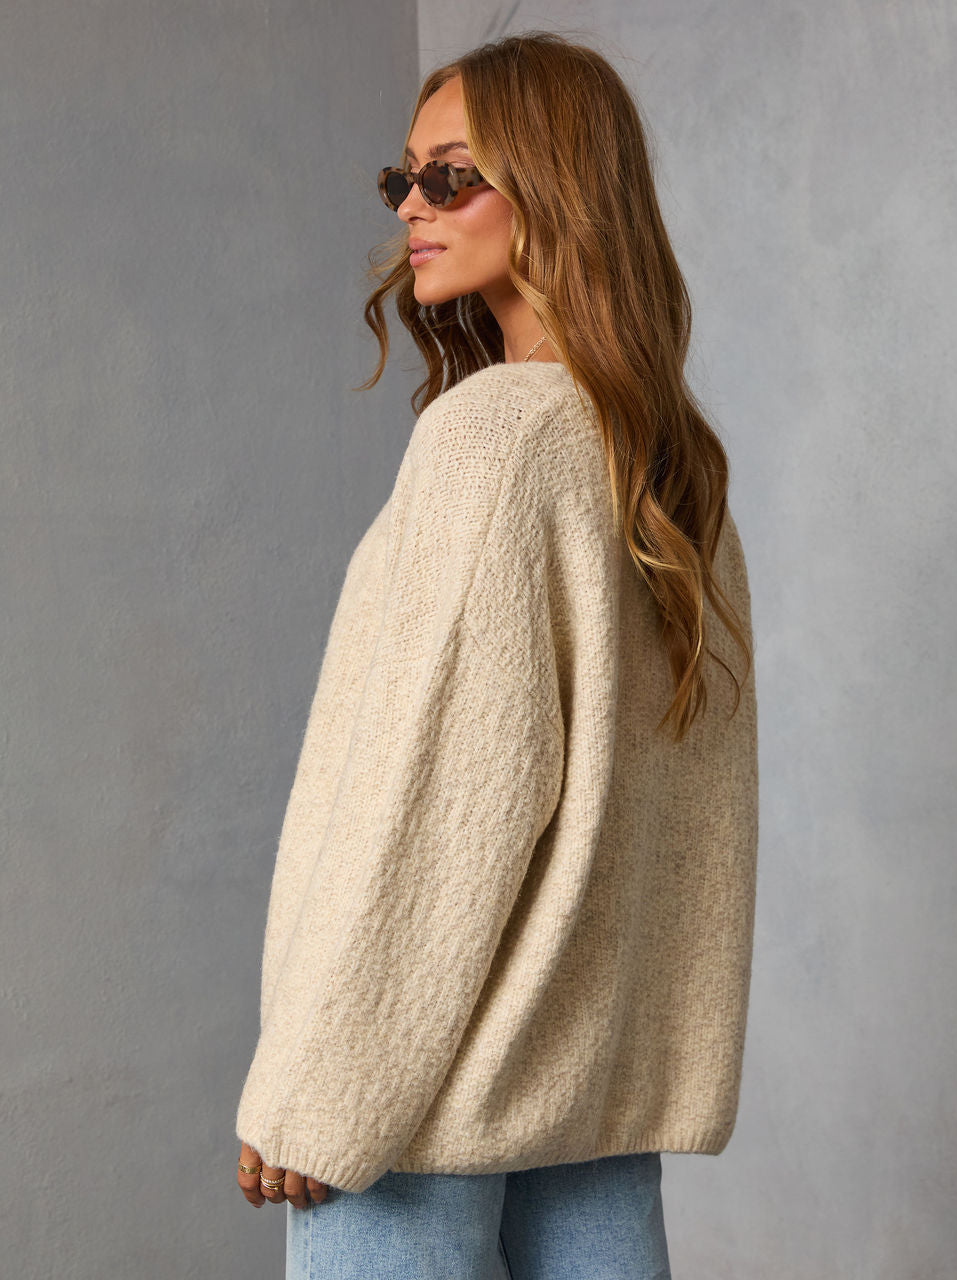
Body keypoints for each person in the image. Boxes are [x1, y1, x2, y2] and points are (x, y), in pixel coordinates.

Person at [234, 29, 758, 1280]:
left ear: (557, 190)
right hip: (588, 1108)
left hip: (423, 1105)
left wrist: (324, 1087)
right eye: (403, 178)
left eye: (451, 176)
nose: (411, 206)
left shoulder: (493, 440)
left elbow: (439, 798)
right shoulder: (669, 471)